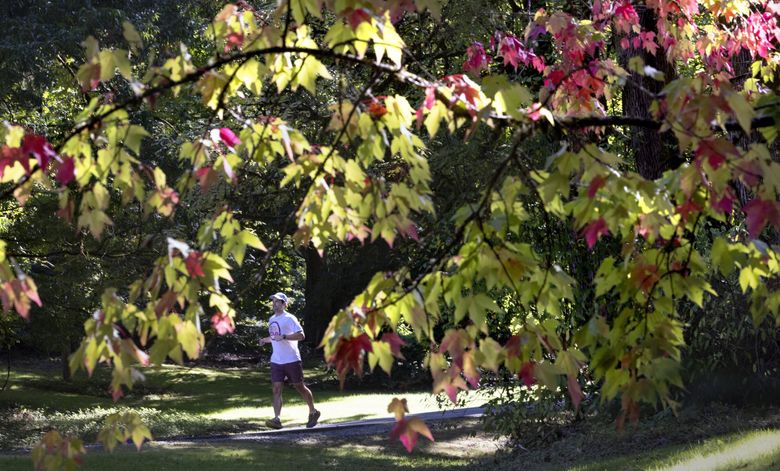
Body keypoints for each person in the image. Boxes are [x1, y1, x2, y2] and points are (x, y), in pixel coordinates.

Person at [259, 292, 320, 429]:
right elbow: (275, 337)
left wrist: (285, 336)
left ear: (284, 304)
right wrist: (265, 340)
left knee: (299, 386)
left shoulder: (290, 318)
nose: (274, 303)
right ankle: (277, 419)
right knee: (276, 389)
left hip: (291, 359)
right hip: (276, 360)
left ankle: (313, 412)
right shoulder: (271, 319)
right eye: (273, 301)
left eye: (278, 301)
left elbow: (301, 335)